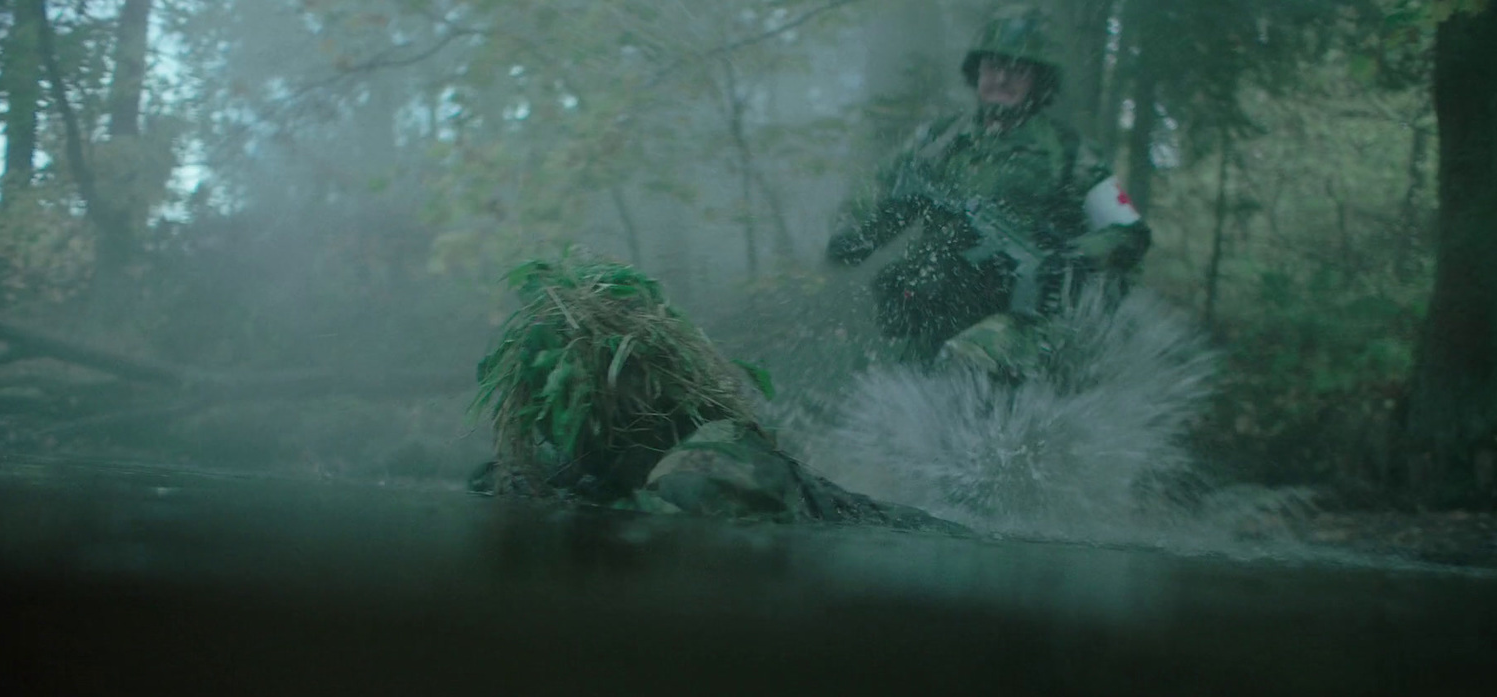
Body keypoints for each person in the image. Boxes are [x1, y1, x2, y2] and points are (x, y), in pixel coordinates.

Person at [469, 253, 962, 533]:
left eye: (594, 385)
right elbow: (518, 475)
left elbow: (671, 521)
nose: (572, 411)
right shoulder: (603, 453)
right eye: (555, 394)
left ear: (654, 381)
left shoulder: (716, 450)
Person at [825, 4, 1152, 376]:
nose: (1002, 78)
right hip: (932, 311)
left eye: (1018, 69)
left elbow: (1128, 231)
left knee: (968, 374)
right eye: (993, 65)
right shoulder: (937, 139)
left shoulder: (1072, 155)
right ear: (976, 71)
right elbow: (879, 192)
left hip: (1018, 323)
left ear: (1038, 81)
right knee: (882, 392)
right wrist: (854, 230)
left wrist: (1074, 257)